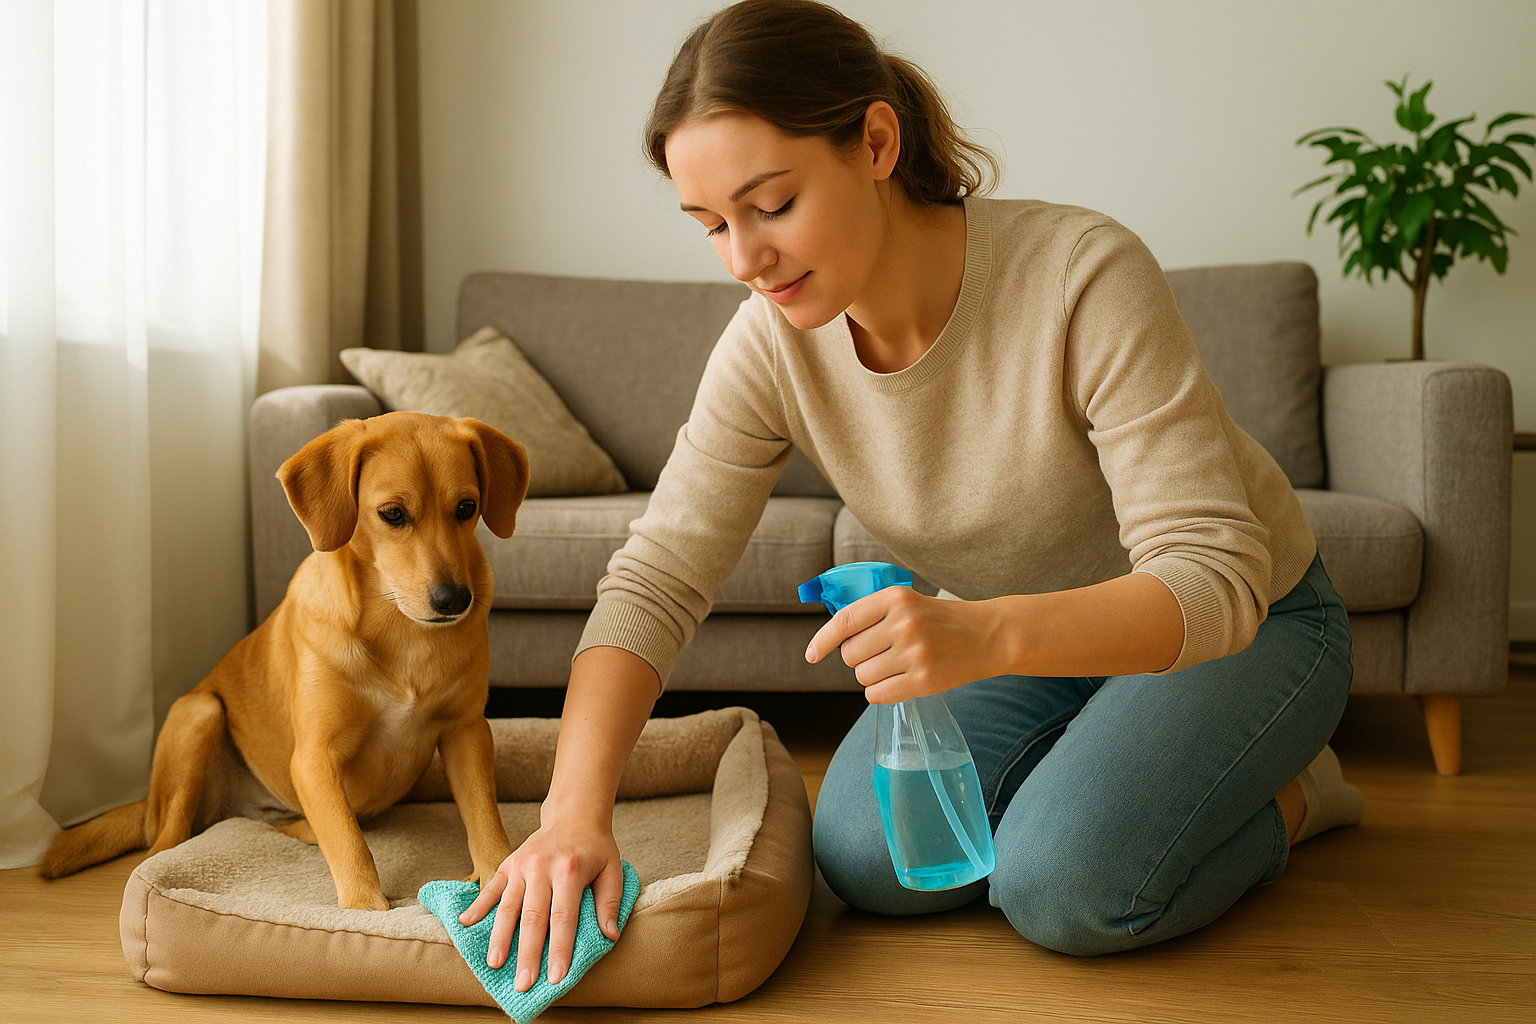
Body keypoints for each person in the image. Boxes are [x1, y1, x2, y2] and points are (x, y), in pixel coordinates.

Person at [459, 0, 1365, 985]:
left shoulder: (1082, 275)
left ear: (877, 143)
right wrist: (570, 815)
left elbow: (1214, 579)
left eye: (772, 205)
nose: (745, 260)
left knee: (1063, 886)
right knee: (869, 858)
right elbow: (657, 577)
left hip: (1252, 625)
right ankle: (1112, 766)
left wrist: (982, 634)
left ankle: (1295, 794)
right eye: (712, 224)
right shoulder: (770, 344)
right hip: (1031, 640)